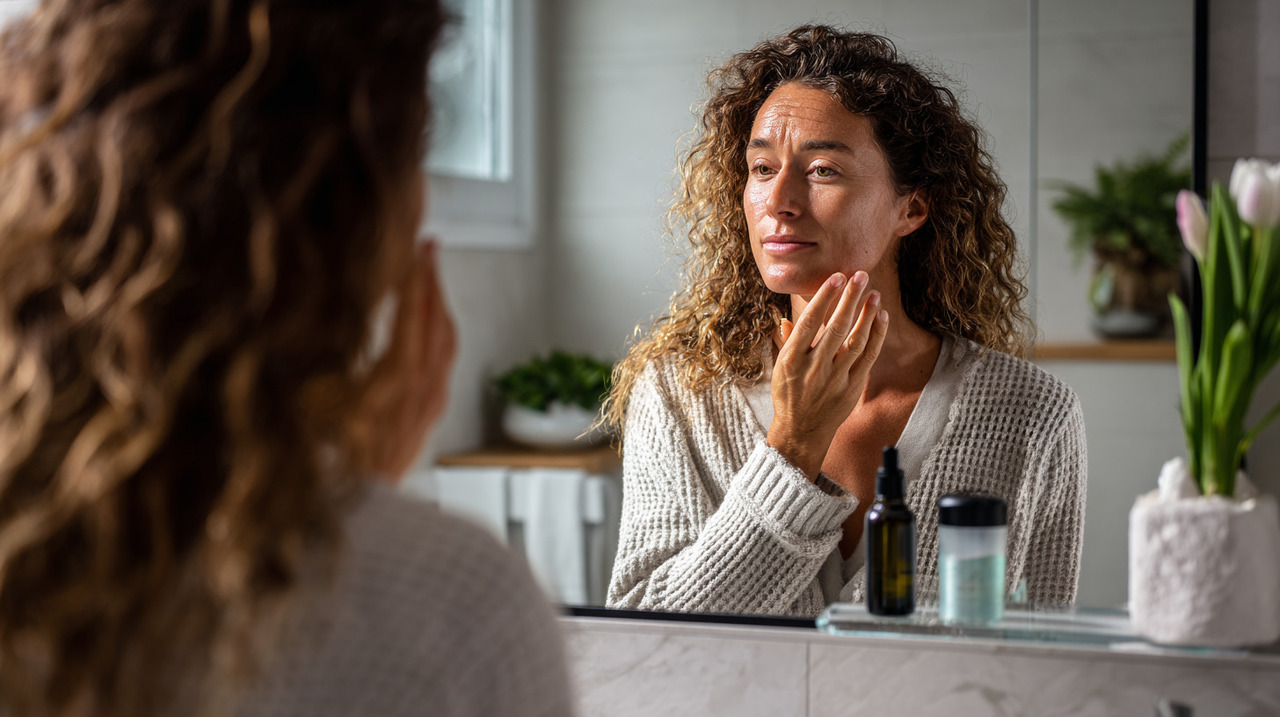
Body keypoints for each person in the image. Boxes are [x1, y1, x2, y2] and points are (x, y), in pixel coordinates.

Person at [0, 1, 573, 716]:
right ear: (354, 218)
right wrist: (348, 504)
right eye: (416, 152)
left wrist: (337, 491)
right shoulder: (455, 611)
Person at [604, 26, 1087, 618]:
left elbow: (1044, 667)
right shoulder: (679, 394)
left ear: (911, 207)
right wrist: (793, 445)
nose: (778, 198)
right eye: (760, 167)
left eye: (824, 170)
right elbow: (646, 644)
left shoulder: (1030, 413)